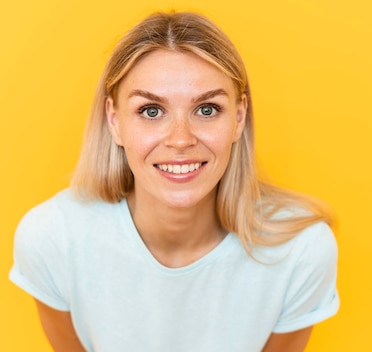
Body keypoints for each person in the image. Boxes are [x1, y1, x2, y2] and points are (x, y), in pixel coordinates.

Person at [9, 11, 339, 352]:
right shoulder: (51, 240)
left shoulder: (302, 251)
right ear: (114, 120)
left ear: (239, 118)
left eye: (207, 109)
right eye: (151, 111)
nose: (180, 140)